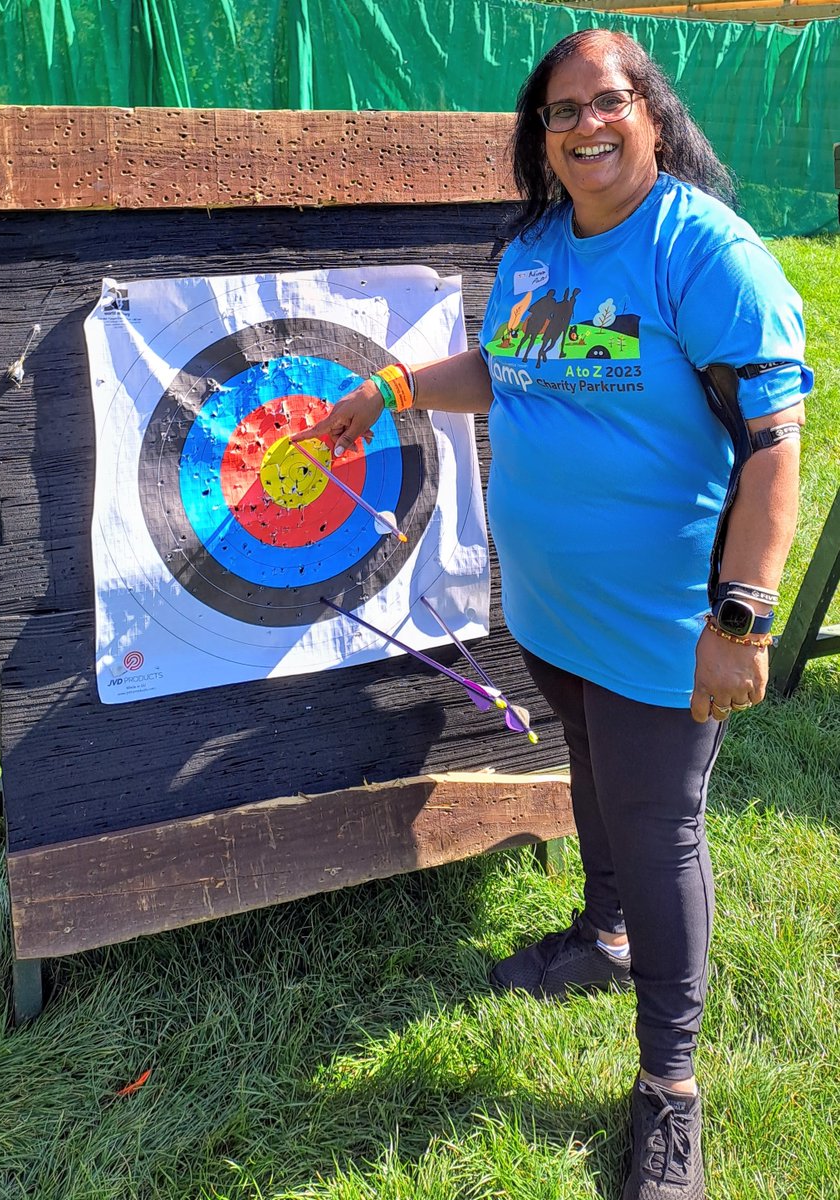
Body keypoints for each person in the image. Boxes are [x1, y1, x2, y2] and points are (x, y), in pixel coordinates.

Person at [292, 28, 810, 1199]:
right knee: (589, 774)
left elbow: (772, 449)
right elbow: (513, 361)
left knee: (658, 821)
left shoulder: (701, 253)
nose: (584, 124)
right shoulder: (532, 247)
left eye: (607, 102)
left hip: (659, 617)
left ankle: (668, 1090)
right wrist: (391, 388)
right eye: (560, 109)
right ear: (539, 133)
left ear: (651, 113)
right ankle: (605, 937)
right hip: (553, 605)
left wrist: (739, 620)